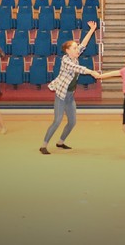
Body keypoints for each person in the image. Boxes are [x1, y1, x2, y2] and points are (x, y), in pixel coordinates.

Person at [39, 20, 102, 154]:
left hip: (70, 96)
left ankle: (60, 142)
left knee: (72, 122)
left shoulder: (75, 56)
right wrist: (91, 72)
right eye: (74, 48)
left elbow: (84, 43)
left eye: (76, 47)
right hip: (61, 95)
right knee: (57, 121)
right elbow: (78, 68)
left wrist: (92, 30)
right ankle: (43, 145)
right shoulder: (66, 60)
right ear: (67, 51)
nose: (77, 49)